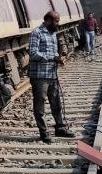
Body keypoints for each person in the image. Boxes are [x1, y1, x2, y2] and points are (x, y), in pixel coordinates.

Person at [28, 11, 76, 143]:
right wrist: (52, 58)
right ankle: (43, 132)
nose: (58, 23)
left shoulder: (53, 34)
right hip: (39, 76)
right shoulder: (36, 33)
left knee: (56, 102)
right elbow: (32, 53)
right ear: (48, 21)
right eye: (56, 21)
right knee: (40, 105)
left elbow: (54, 52)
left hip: (52, 74)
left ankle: (60, 128)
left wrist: (58, 59)